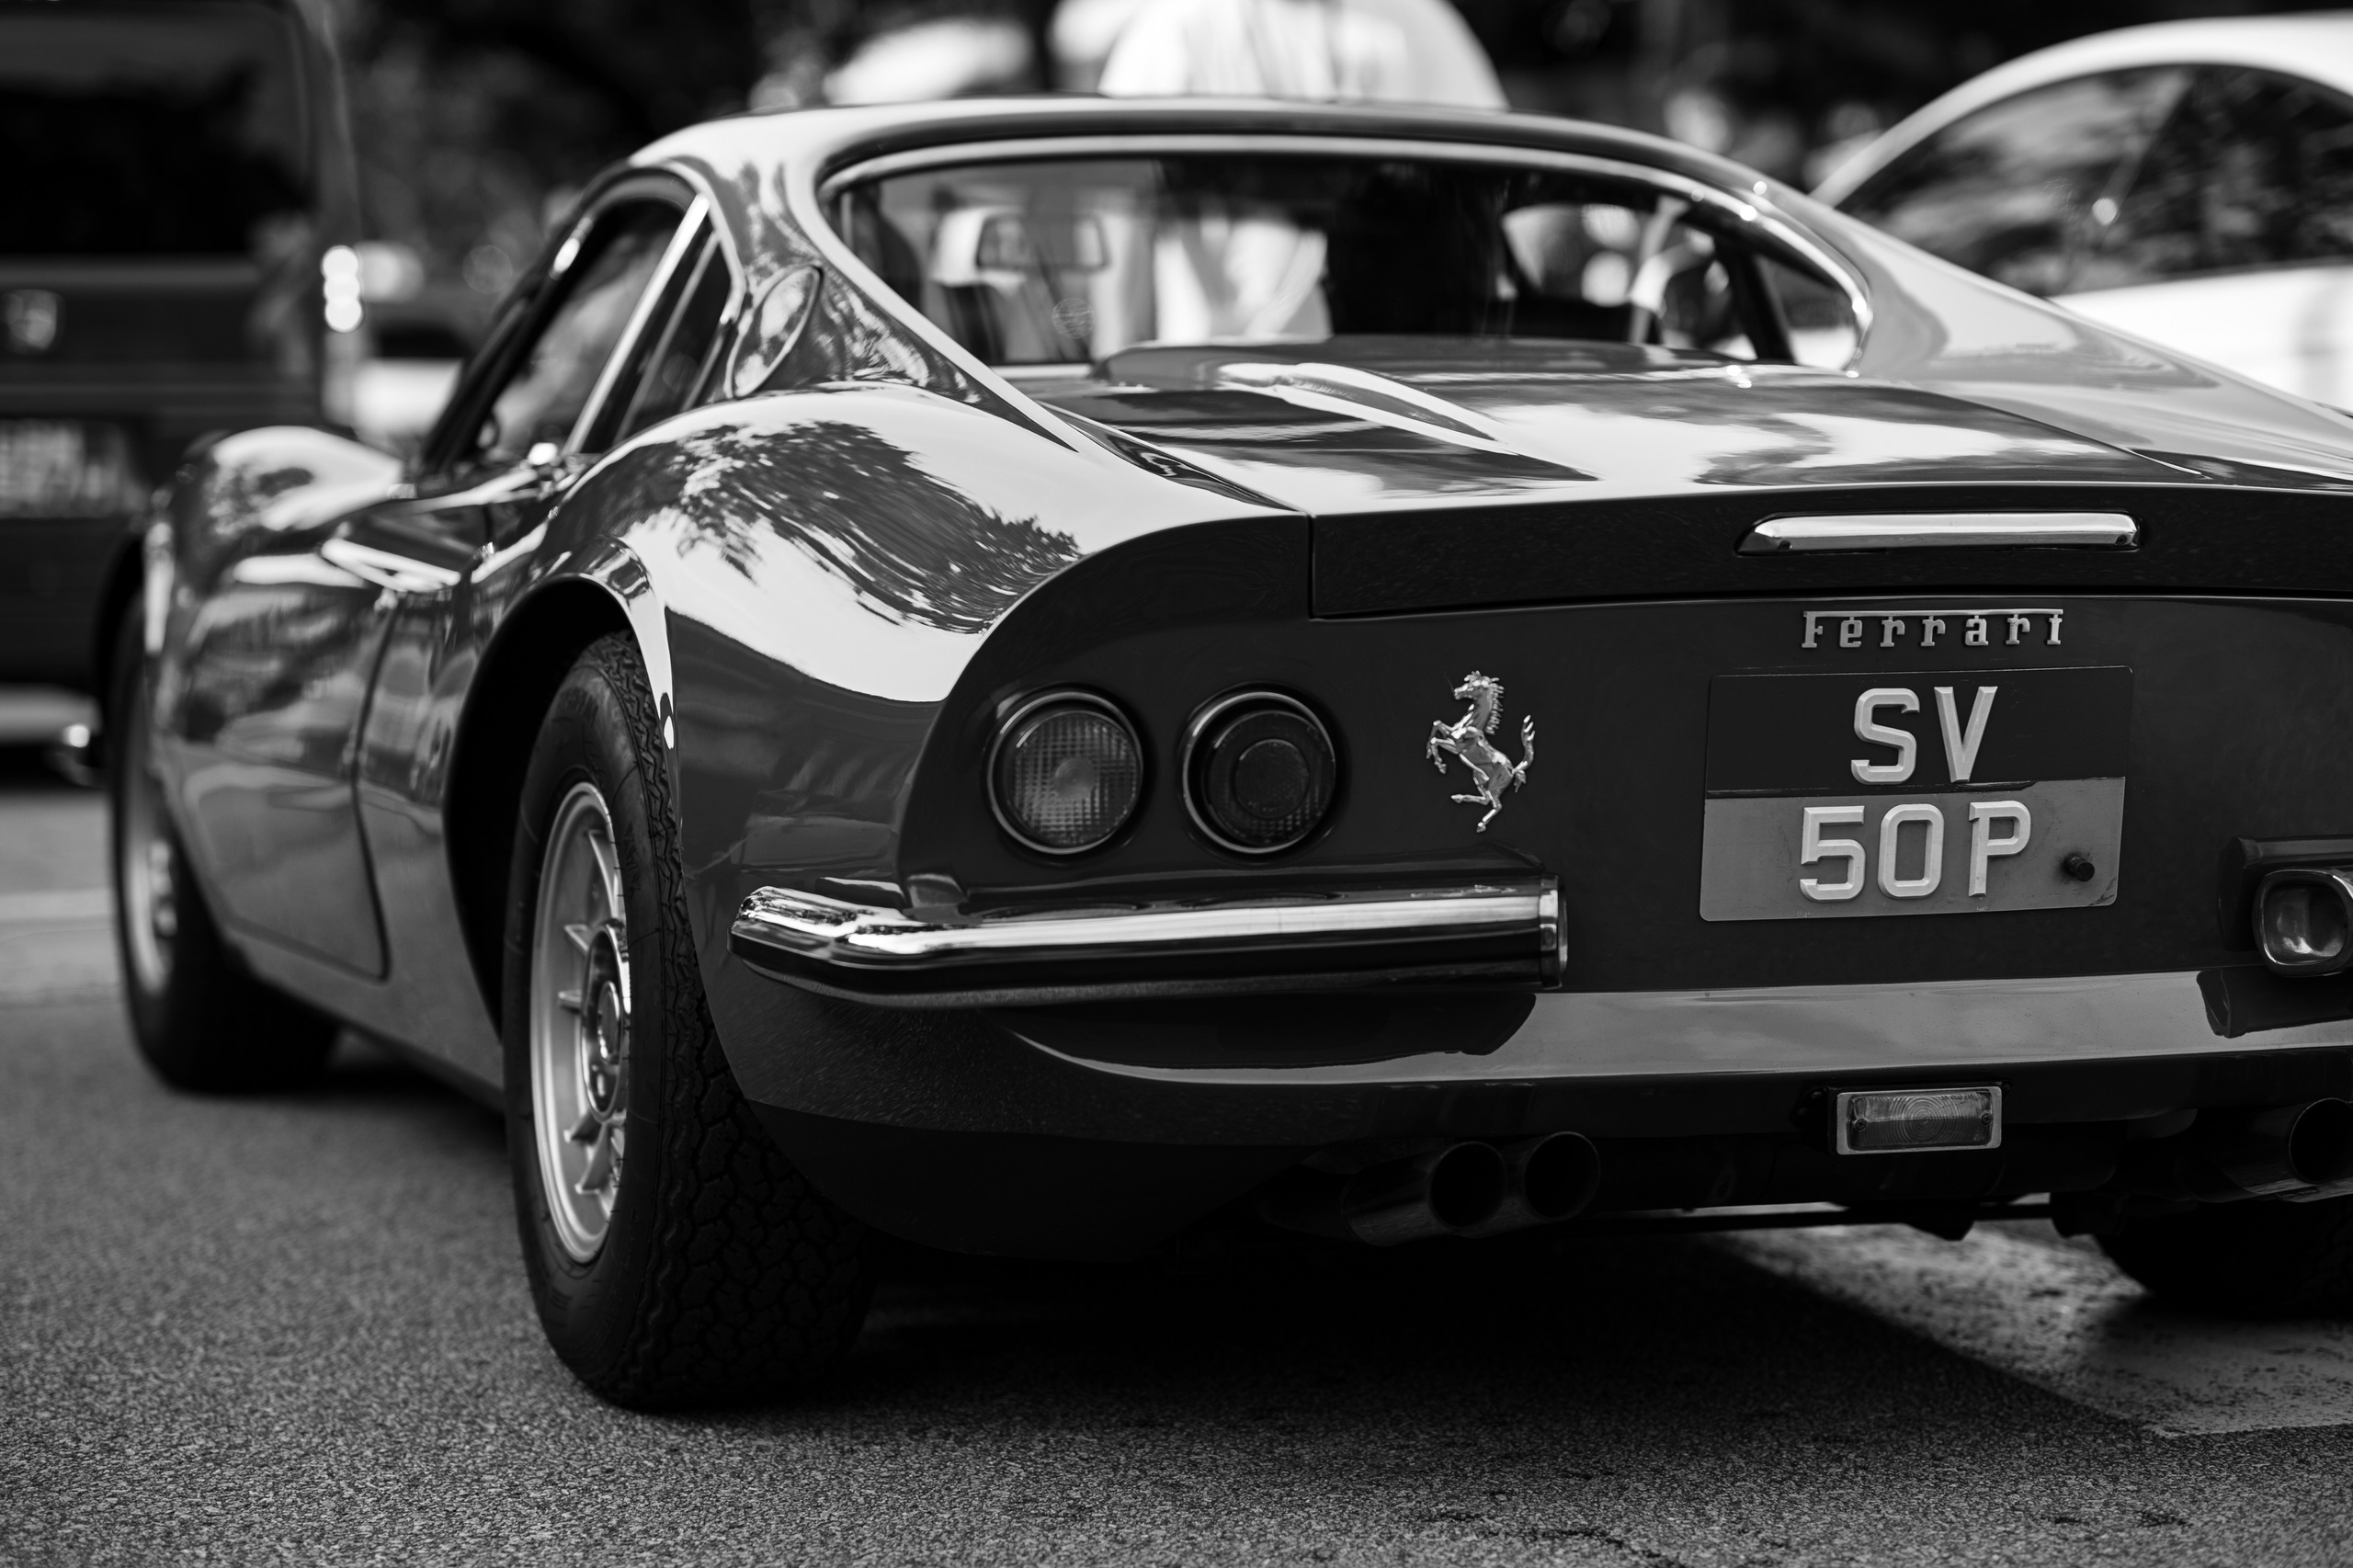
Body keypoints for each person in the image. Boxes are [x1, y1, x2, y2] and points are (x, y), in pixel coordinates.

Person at [1094, 0, 1505, 109]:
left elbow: (1499, 177)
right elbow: (1120, 196)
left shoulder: (1417, 20)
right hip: (1220, 326)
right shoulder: (1178, 27)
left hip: (1395, 321)